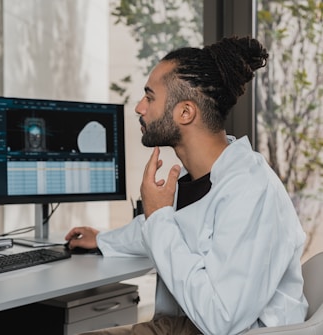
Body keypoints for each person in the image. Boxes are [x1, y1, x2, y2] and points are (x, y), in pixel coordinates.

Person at [64, 36, 308, 335]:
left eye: (150, 97)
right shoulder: (198, 180)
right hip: (192, 323)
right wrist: (103, 239)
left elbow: (221, 320)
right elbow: (162, 230)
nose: (140, 108)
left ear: (185, 112)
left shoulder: (252, 191)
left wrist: (159, 215)